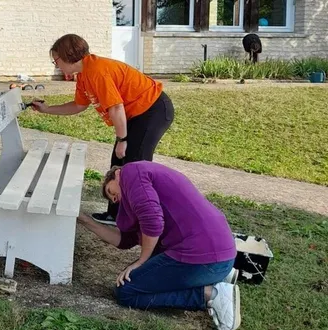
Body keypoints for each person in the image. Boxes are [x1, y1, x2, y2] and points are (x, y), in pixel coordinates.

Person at [77, 161, 240, 330]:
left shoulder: (131, 173)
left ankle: (210, 294)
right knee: (139, 276)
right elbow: (123, 240)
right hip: (220, 254)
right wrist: (84, 220)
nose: (115, 199)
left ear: (116, 174)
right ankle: (217, 276)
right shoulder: (146, 179)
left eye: (111, 191)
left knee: (126, 291)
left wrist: (141, 261)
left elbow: (153, 221)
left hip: (203, 256)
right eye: (113, 200)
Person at [31, 34, 174, 226]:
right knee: (119, 163)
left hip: (152, 109)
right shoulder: (84, 75)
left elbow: (116, 107)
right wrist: (47, 109)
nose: (56, 65)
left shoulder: (96, 71)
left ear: (69, 56)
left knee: (135, 166)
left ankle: (146, 219)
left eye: (55, 59)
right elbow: (78, 105)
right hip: (136, 114)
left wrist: (122, 139)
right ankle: (116, 216)